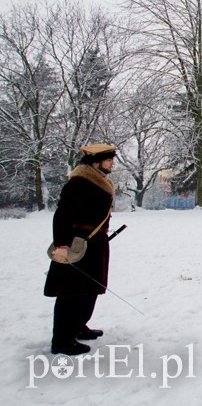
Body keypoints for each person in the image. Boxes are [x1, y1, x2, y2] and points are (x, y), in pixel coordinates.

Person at [44, 144, 117, 355]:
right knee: (72, 291)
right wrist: (61, 246)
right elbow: (62, 216)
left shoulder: (99, 182)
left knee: (90, 288)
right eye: (109, 159)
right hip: (77, 244)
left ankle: (78, 327)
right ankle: (62, 340)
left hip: (95, 244)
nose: (113, 162)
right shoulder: (79, 183)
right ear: (95, 162)